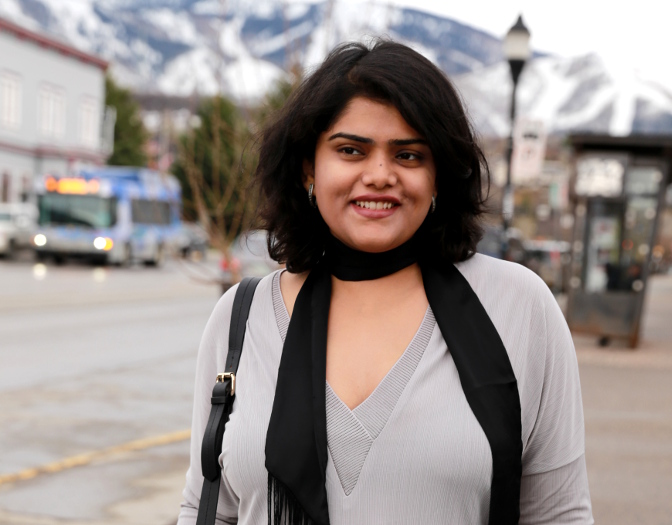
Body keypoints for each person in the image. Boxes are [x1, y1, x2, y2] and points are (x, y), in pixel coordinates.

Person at [178, 40, 593, 525]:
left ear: (439, 173)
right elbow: (207, 508)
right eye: (351, 150)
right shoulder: (240, 317)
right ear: (310, 167)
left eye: (409, 155)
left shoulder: (519, 307)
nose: (379, 175)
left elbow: (559, 514)